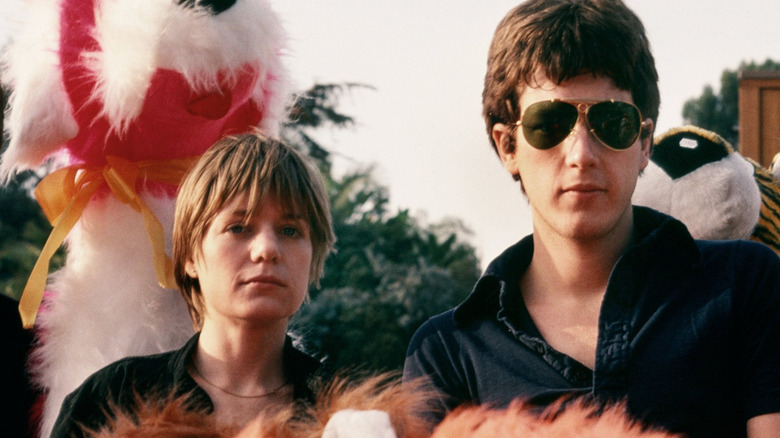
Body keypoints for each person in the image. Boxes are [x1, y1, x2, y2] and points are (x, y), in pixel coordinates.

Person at [403, 1, 780, 437]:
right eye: (549, 123)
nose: (581, 154)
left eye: (612, 121)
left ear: (643, 144)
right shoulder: (448, 352)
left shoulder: (745, 285)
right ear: (508, 146)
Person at [51, 132, 336, 436]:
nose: (267, 249)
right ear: (189, 256)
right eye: (238, 227)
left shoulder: (348, 414)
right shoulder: (110, 401)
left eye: (290, 231)